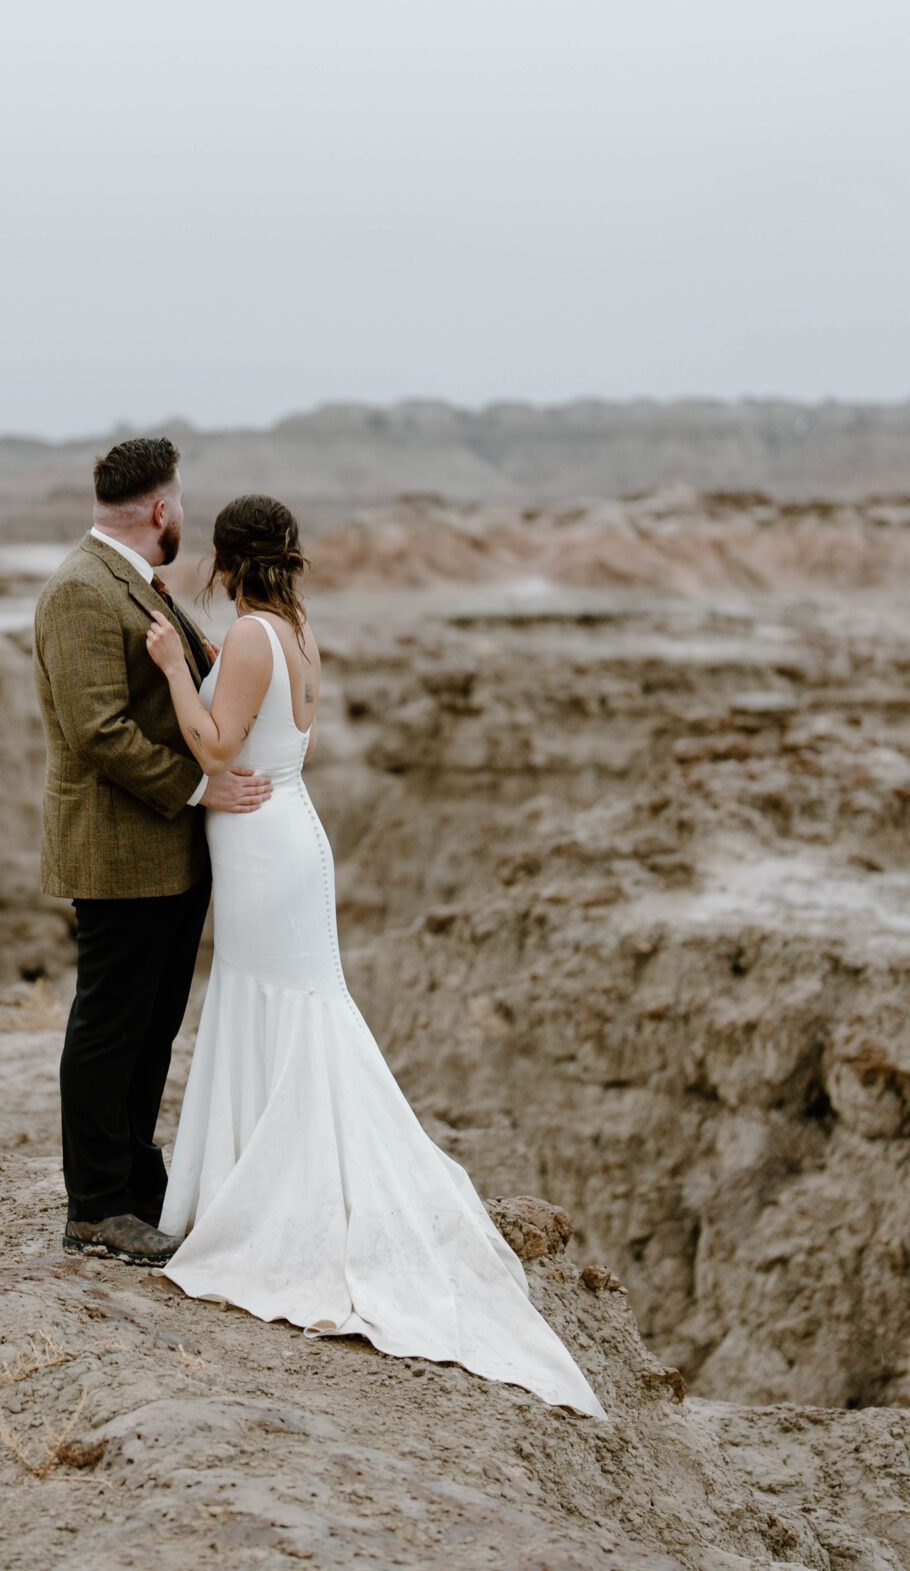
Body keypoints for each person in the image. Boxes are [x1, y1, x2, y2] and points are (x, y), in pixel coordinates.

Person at [140, 493, 603, 1416]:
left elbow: (217, 743)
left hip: (262, 838)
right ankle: (250, 1175)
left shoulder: (247, 639)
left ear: (228, 559)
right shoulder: (301, 632)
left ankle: (269, 1196)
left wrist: (170, 671)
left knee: (273, 1000)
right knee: (298, 1003)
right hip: (295, 831)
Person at [30, 437, 271, 1266]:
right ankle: (95, 1204)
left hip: (165, 853)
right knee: (109, 1026)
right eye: (183, 503)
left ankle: (136, 1181)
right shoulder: (79, 591)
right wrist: (202, 789)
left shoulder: (135, 584)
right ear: (162, 509)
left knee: (152, 1026)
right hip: (118, 851)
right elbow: (98, 732)